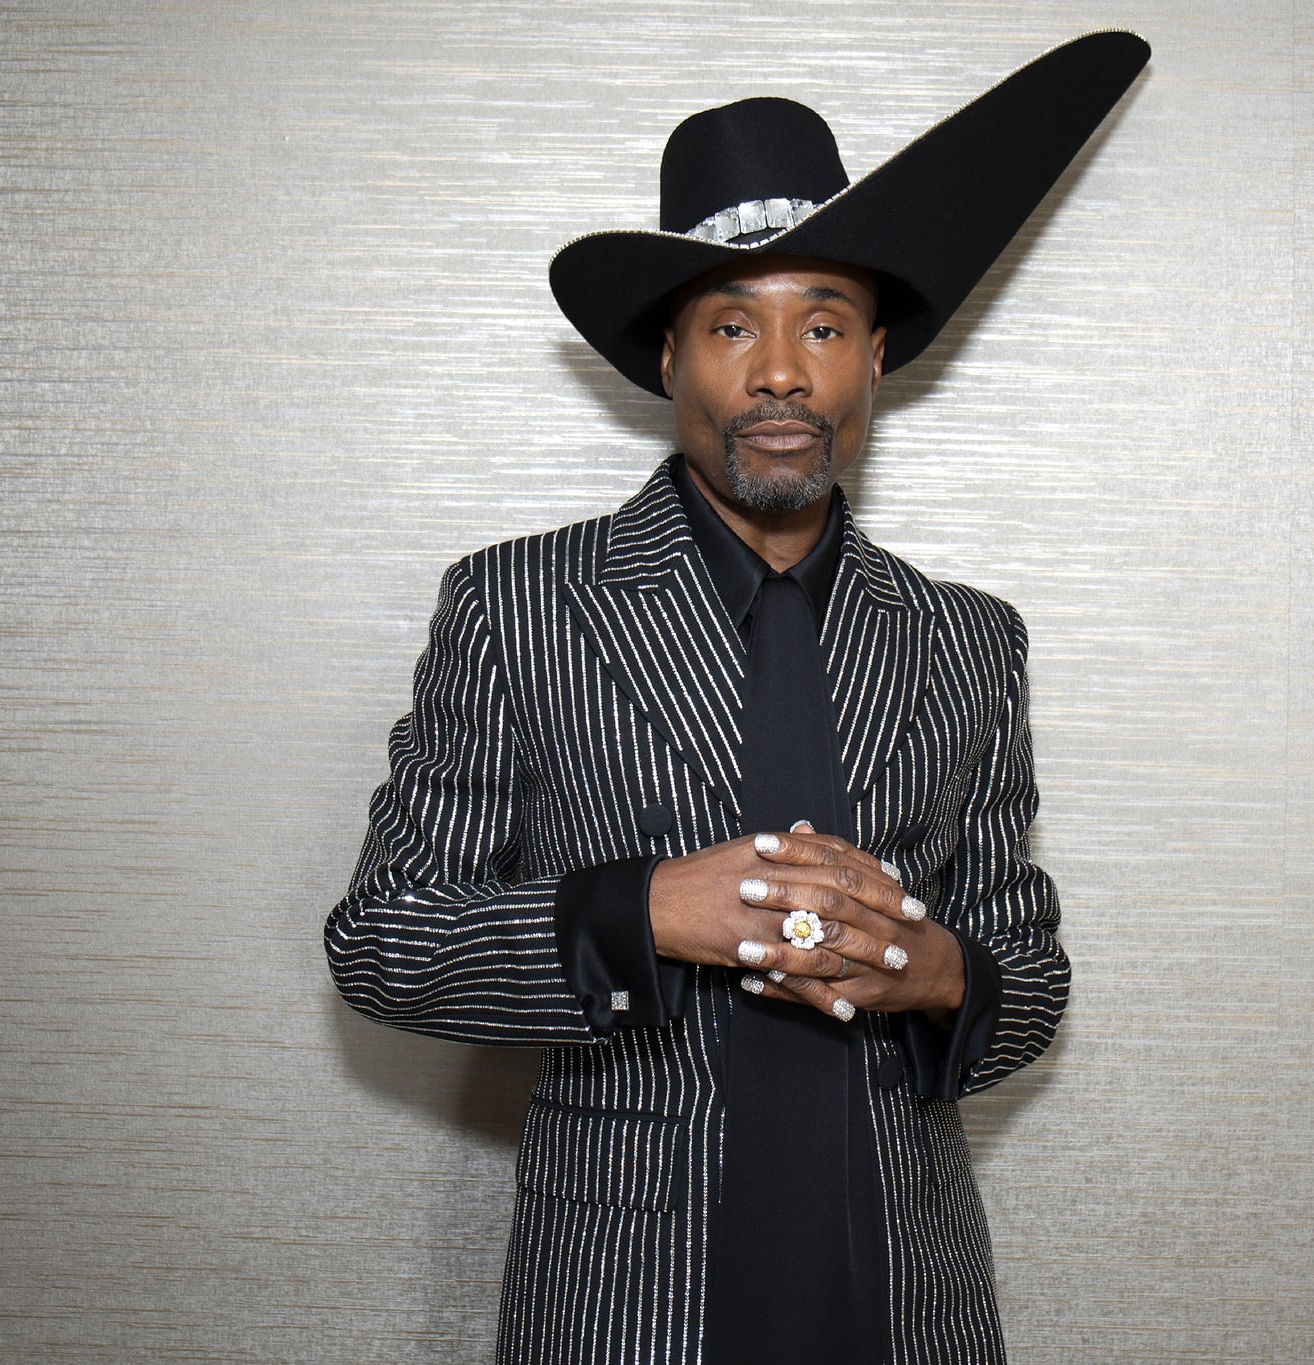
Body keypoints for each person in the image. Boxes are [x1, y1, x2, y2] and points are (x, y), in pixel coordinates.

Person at [326, 30, 1150, 1365]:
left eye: (822, 323)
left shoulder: (969, 643)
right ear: (670, 362)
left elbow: (1032, 974)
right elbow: (385, 939)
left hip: (904, 1298)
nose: (780, 370)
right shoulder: (520, 606)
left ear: (873, 358)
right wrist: (642, 911)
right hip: (628, 1300)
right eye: (732, 325)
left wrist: (933, 969)